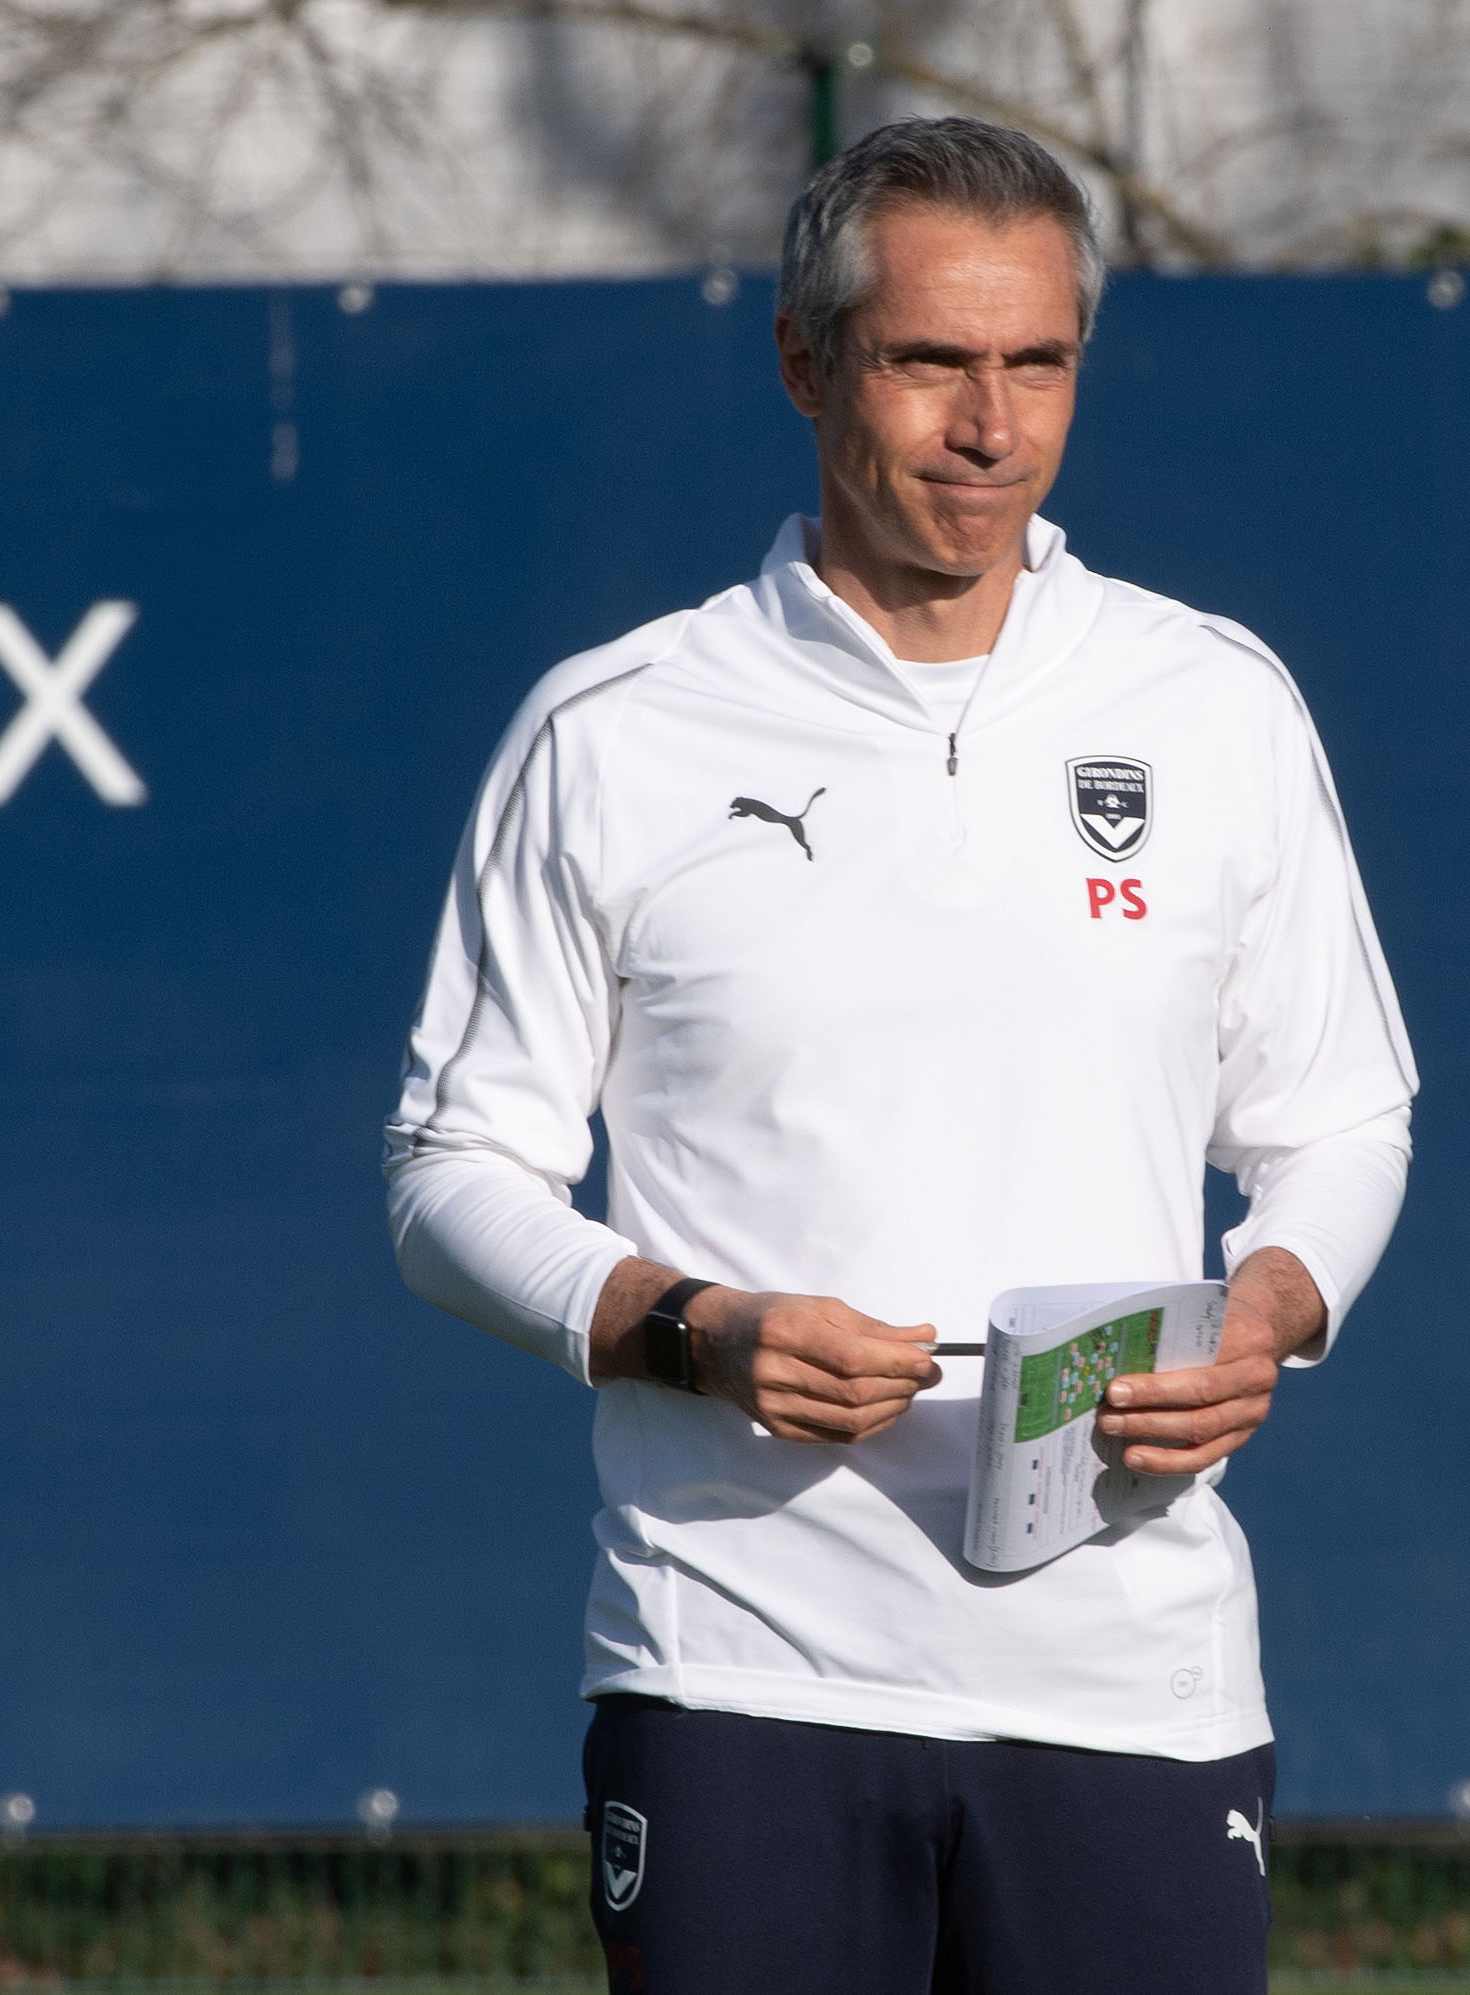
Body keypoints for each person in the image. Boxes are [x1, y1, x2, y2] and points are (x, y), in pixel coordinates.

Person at [382, 117, 1413, 1995]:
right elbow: (449, 1178)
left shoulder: (1211, 699)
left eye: (1036, 364)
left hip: (1130, 1675)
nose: (988, 425)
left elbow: (1341, 1117)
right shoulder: (617, 728)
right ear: (802, 361)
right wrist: (698, 1325)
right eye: (929, 360)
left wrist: (1269, 1307)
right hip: (739, 1666)